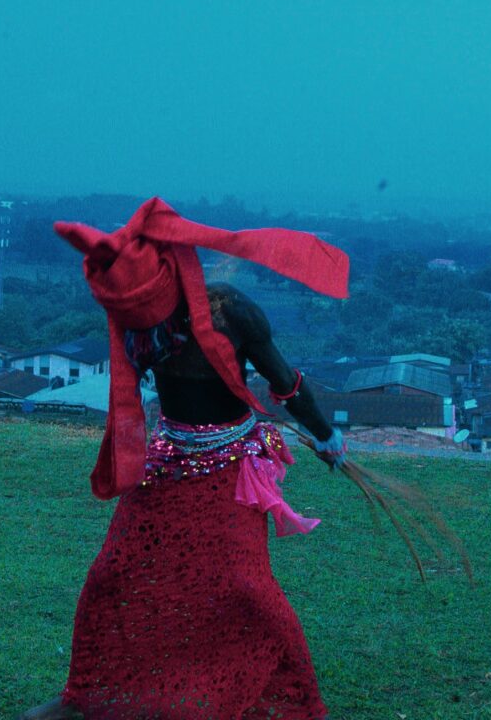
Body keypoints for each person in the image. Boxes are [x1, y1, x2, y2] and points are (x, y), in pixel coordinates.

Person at [18, 198, 349, 720]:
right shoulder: (134, 316)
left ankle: (289, 698)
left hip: (232, 469)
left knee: (245, 586)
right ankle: (88, 691)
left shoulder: (231, 312)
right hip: (168, 463)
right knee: (112, 573)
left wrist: (326, 435)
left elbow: (285, 384)